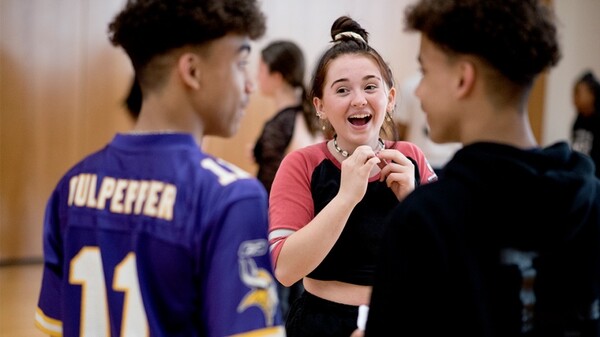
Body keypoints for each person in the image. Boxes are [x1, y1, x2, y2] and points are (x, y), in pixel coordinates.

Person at [34, 0, 285, 336]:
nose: (250, 86)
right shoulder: (232, 197)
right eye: (241, 64)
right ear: (192, 71)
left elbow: (52, 327)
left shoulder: (72, 185)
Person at [361, 1, 600, 336]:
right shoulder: (589, 197)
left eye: (426, 72)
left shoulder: (423, 221)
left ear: (463, 79)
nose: (418, 90)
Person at [268, 15, 438, 337]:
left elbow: (448, 259)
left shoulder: (412, 157)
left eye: (370, 86)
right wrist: (345, 198)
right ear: (320, 106)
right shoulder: (301, 164)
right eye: (342, 89)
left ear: (389, 99)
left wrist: (414, 202)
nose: (359, 99)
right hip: (321, 322)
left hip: (401, 318)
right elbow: (285, 269)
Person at [252, 39, 323, 320]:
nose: (256, 78)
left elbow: (284, 176)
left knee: (277, 304)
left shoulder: (287, 121)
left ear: (276, 76)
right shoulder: (303, 118)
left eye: (260, 70)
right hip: (296, 223)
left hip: (279, 223)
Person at [395, 73, 461, 176]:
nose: (418, 93)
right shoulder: (460, 85)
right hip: (443, 164)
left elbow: (400, 132)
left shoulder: (410, 85)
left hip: (420, 164)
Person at [571, 70, 600, 178]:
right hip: (581, 179)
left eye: (578, 93)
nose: (574, 99)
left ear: (592, 94)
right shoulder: (578, 121)